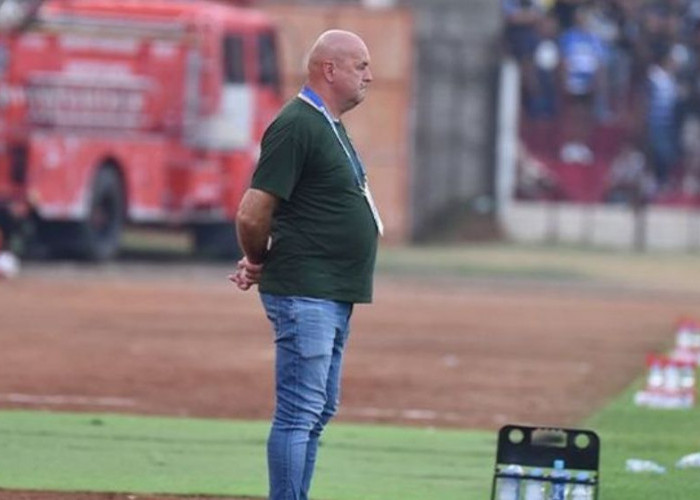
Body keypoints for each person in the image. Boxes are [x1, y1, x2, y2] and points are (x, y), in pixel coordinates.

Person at [229, 30, 381, 500]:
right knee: (299, 413)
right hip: (306, 291)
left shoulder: (327, 124)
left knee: (317, 411)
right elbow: (252, 212)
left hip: (330, 291)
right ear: (329, 70)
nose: (370, 76)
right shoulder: (297, 124)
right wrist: (257, 259)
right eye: (361, 66)